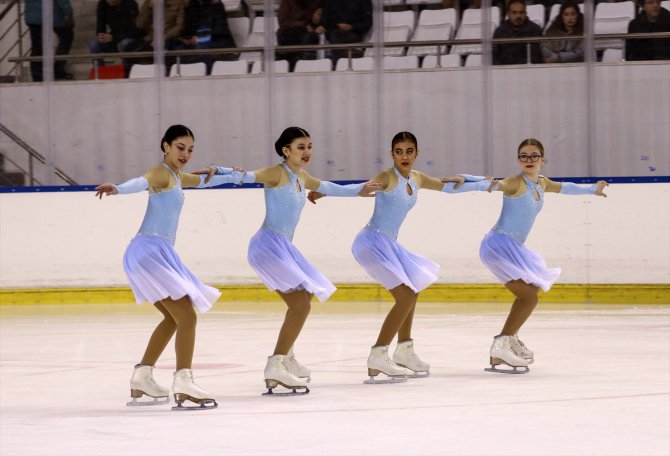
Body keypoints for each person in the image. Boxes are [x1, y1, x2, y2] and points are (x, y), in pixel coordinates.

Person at [197, 127, 379, 395]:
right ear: (286, 150)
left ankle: (286, 355)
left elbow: (326, 186)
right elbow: (245, 177)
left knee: (304, 299)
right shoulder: (277, 173)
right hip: (268, 245)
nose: (307, 152)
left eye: (309, 146)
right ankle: (277, 364)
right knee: (300, 306)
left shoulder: (300, 176)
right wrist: (219, 168)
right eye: (301, 147)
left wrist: (359, 190)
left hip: (282, 246)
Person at [311, 131, 493, 383]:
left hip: (389, 244)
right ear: (392, 154)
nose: (404, 156)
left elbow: (448, 188)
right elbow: (360, 189)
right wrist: (323, 192)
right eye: (399, 151)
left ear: (417, 153)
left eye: (409, 151)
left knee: (413, 290)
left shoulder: (417, 178)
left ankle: (404, 351)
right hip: (371, 242)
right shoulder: (387, 176)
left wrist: (476, 181)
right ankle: (378, 354)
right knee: (405, 297)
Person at [95, 125, 246, 410]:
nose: (185, 154)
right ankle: (184, 381)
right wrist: (116, 188)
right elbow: (141, 181)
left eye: (190, 149)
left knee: (173, 318)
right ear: (165, 146)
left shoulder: (177, 177)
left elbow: (206, 181)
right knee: (187, 316)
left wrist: (229, 173)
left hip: (154, 251)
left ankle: (142, 375)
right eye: (180, 147)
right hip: (149, 251)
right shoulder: (161, 173)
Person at [479, 138, 608, 374]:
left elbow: (566, 187)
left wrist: (592, 189)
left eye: (534, 156)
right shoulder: (514, 183)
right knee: (529, 298)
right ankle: (502, 342)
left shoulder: (541, 183)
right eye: (524, 156)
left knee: (531, 292)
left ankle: (510, 339)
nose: (529, 160)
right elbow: (492, 184)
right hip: (498, 246)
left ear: (542, 159)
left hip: (513, 247)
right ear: (518, 160)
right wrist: (469, 180)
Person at [174, 0, 238, 74]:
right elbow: (187, 29)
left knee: (203, 51)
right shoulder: (192, 6)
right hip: (195, 44)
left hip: (218, 42)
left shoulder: (217, 6)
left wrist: (199, 40)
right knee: (177, 50)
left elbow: (219, 31)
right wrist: (185, 38)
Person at [24, 0, 75, 81]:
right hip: (46, 14)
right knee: (66, 36)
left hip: (34, 15)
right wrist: (68, 11)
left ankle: (39, 75)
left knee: (38, 46)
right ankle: (56, 70)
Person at [89, 0, 144, 66]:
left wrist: (114, 37)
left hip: (129, 38)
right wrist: (101, 35)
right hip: (114, 38)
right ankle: (99, 72)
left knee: (125, 43)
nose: (109, 1)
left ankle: (127, 70)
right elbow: (100, 26)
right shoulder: (102, 4)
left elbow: (135, 31)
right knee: (94, 45)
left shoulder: (130, 3)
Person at [492, 0, 543, 65]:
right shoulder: (500, 32)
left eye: (521, 12)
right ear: (508, 14)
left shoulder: (535, 30)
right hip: (505, 71)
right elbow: (495, 58)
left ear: (525, 13)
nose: (518, 16)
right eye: (514, 12)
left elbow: (537, 57)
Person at [277, 0, 322, 69]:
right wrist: (303, 25)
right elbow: (283, 22)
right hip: (289, 32)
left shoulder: (314, 2)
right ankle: (292, 65)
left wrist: (320, 9)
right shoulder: (287, 2)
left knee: (311, 36)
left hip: (308, 32)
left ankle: (305, 64)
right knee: (297, 33)